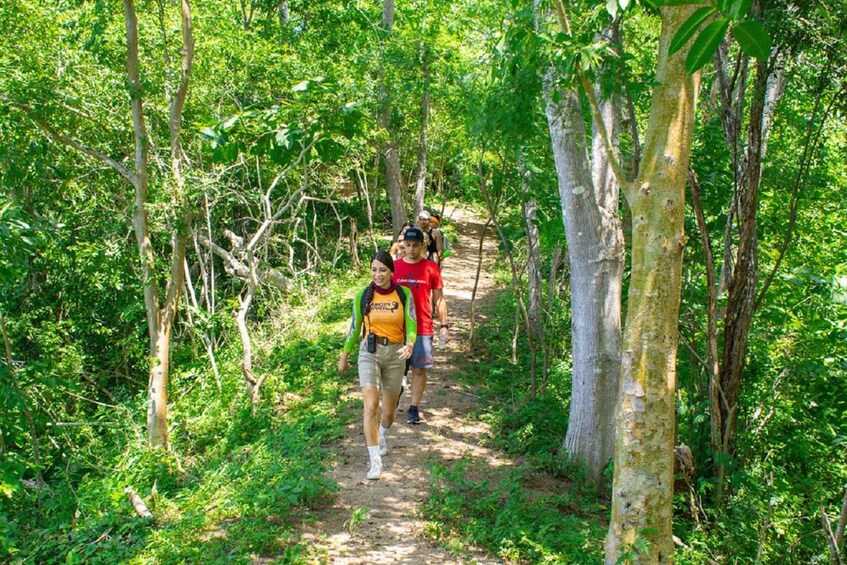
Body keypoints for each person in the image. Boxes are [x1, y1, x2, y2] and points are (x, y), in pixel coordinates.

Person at [339, 251, 417, 480]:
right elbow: (355, 328)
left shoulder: (404, 294)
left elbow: (412, 324)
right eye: (374, 269)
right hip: (369, 352)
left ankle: (382, 433)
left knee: (389, 412)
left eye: (382, 270)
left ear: (391, 272)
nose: (378, 274)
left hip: (396, 354)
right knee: (371, 406)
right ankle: (375, 461)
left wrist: (410, 344)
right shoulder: (363, 295)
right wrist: (345, 354)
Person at [392, 227, 449, 424]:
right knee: (396, 369)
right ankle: (393, 401)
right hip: (396, 327)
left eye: (415, 245)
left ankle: (414, 408)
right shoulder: (394, 267)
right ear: (402, 245)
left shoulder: (430, 268)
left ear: (422, 245)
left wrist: (444, 325)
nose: (411, 249)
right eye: (407, 245)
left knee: (418, 369)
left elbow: (439, 299)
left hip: (422, 326)